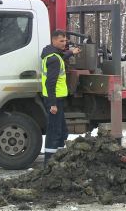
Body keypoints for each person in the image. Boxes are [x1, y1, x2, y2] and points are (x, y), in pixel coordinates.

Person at [41, 29, 81, 166]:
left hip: (56, 99)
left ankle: (58, 160)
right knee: (54, 132)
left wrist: (71, 52)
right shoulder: (54, 59)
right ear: (53, 41)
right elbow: (50, 83)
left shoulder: (51, 54)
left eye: (65, 41)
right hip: (54, 100)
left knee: (62, 131)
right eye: (61, 41)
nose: (64, 43)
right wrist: (53, 104)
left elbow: (61, 56)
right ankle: (49, 164)